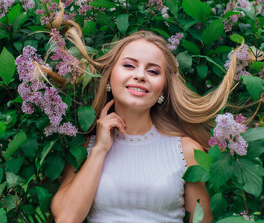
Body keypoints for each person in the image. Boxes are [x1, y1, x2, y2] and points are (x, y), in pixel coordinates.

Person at [50, 23, 237, 223]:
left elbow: (202, 220)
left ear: (163, 89)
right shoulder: (84, 148)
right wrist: (100, 149)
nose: (140, 75)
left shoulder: (187, 151)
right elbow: (67, 218)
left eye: (153, 71)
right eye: (129, 65)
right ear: (110, 78)